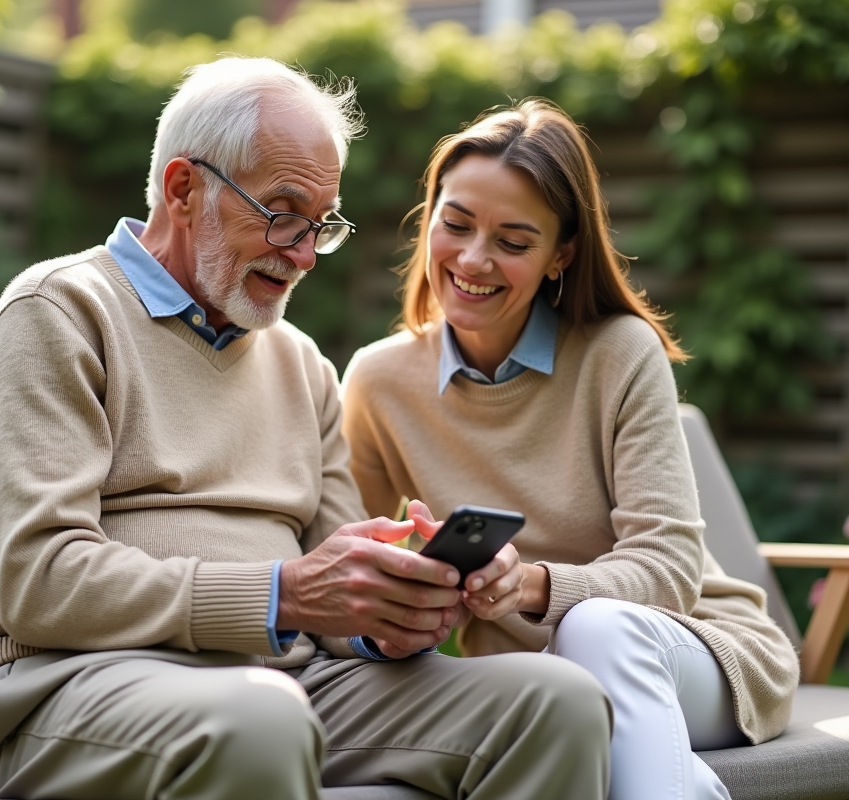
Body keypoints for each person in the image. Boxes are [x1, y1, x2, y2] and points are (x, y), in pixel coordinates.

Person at [0, 61, 612, 800]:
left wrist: (392, 608)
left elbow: (333, 593)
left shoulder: (302, 366)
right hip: (63, 685)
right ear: (184, 189)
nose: (300, 255)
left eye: (320, 226)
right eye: (282, 213)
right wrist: (280, 596)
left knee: (556, 703)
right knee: (262, 719)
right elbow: (40, 582)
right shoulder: (57, 315)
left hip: (287, 684)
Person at [340, 99, 800, 800]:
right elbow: (361, 573)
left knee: (598, 630)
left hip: (694, 651)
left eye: (513, 242)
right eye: (455, 224)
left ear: (562, 254)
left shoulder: (620, 354)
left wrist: (525, 586)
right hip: (532, 688)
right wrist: (415, 601)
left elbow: (669, 570)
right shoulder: (376, 381)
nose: (472, 259)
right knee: (587, 694)